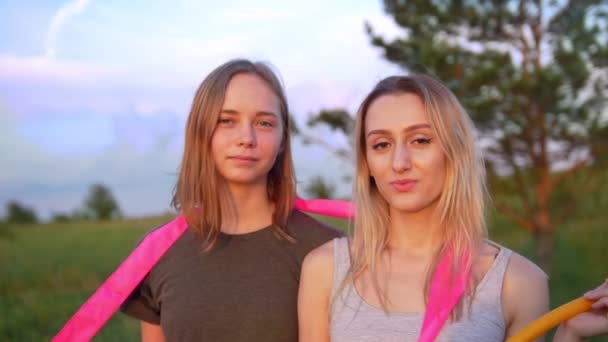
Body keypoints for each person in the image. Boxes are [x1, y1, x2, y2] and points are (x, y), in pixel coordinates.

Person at [298, 74, 608, 341]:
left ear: (453, 150)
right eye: (381, 145)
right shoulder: (326, 269)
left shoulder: (518, 282)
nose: (399, 163)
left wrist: (569, 333)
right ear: (367, 164)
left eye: (420, 140)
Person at [120, 59, 341, 341]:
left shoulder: (330, 251)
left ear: (283, 138)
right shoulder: (157, 253)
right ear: (201, 132)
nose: (246, 138)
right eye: (227, 120)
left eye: (264, 123)